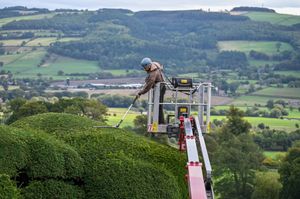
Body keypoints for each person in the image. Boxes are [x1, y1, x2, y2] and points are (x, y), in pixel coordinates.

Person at [137, 57, 166, 124]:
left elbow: (149, 85)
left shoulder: (153, 72)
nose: (144, 69)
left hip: (160, 88)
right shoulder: (154, 65)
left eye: (145, 67)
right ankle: (159, 121)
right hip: (159, 88)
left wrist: (141, 92)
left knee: (158, 105)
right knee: (157, 104)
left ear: (148, 65)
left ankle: (160, 122)